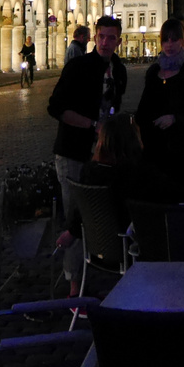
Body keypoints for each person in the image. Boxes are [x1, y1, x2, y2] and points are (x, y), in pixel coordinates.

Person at [56, 113, 184, 290]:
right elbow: (182, 195)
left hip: (99, 250)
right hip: (134, 248)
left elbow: (81, 210)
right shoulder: (139, 173)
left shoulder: (90, 172)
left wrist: (71, 232)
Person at [46, 15, 127, 220]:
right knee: (75, 214)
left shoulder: (119, 70)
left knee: (99, 214)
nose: (105, 43)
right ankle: (72, 251)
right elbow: (55, 107)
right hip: (72, 150)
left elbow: (115, 106)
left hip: (103, 152)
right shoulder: (78, 67)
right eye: (101, 37)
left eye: (111, 38)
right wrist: (93, 125)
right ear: (94, 37)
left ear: (119, 41)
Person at [134, 19, 184, 191]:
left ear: (182, 41)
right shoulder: (153, 72)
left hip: (180, 151)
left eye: (174, 39)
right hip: (154, 149)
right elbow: (142, 111)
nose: (169, 44)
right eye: (165, 40)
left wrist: (175, 119)